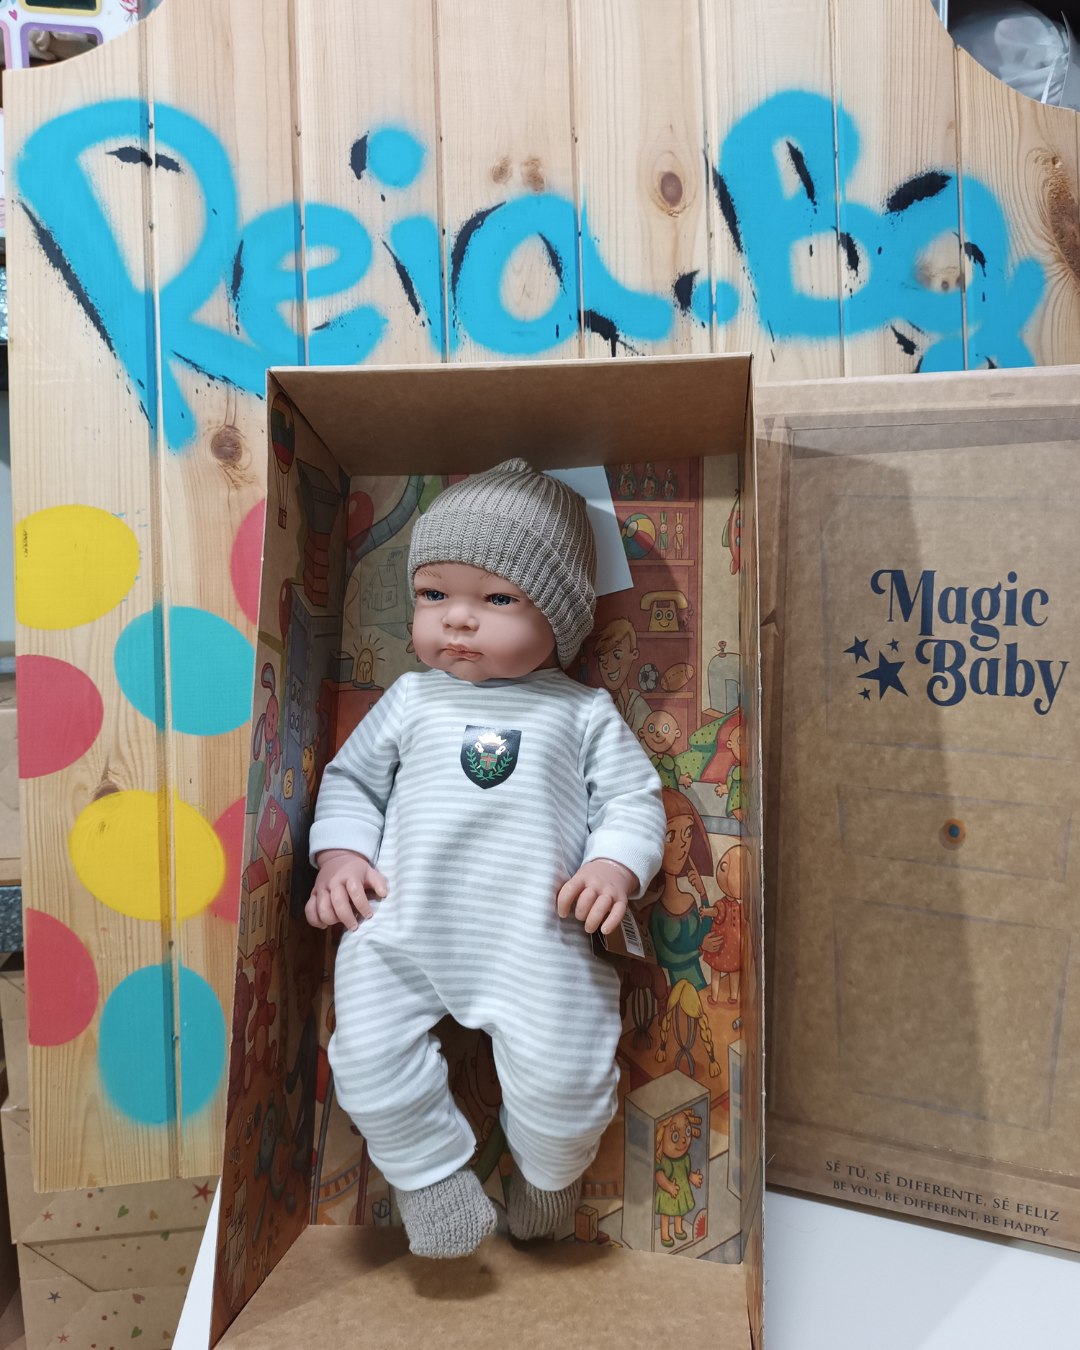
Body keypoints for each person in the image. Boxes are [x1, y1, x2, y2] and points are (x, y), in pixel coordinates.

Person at [304, 460, 665, 1260]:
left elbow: (633, 801)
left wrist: (613, 867)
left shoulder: (583, 711)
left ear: (560, 618)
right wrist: (341, 856)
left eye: (498, 600)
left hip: (537, 938)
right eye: (434, 594)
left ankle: (548, 1181)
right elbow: (352, 781)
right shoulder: (410, 699)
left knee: (570, 1076)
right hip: (400, 924)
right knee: (365, 1056)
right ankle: (430, 1181)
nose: (458, 620)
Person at [594, 616, 651, 734]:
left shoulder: (639, 705)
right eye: (602, 658)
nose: (606, 664)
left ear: (634, 654)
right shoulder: (615, 705)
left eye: (617, 655)